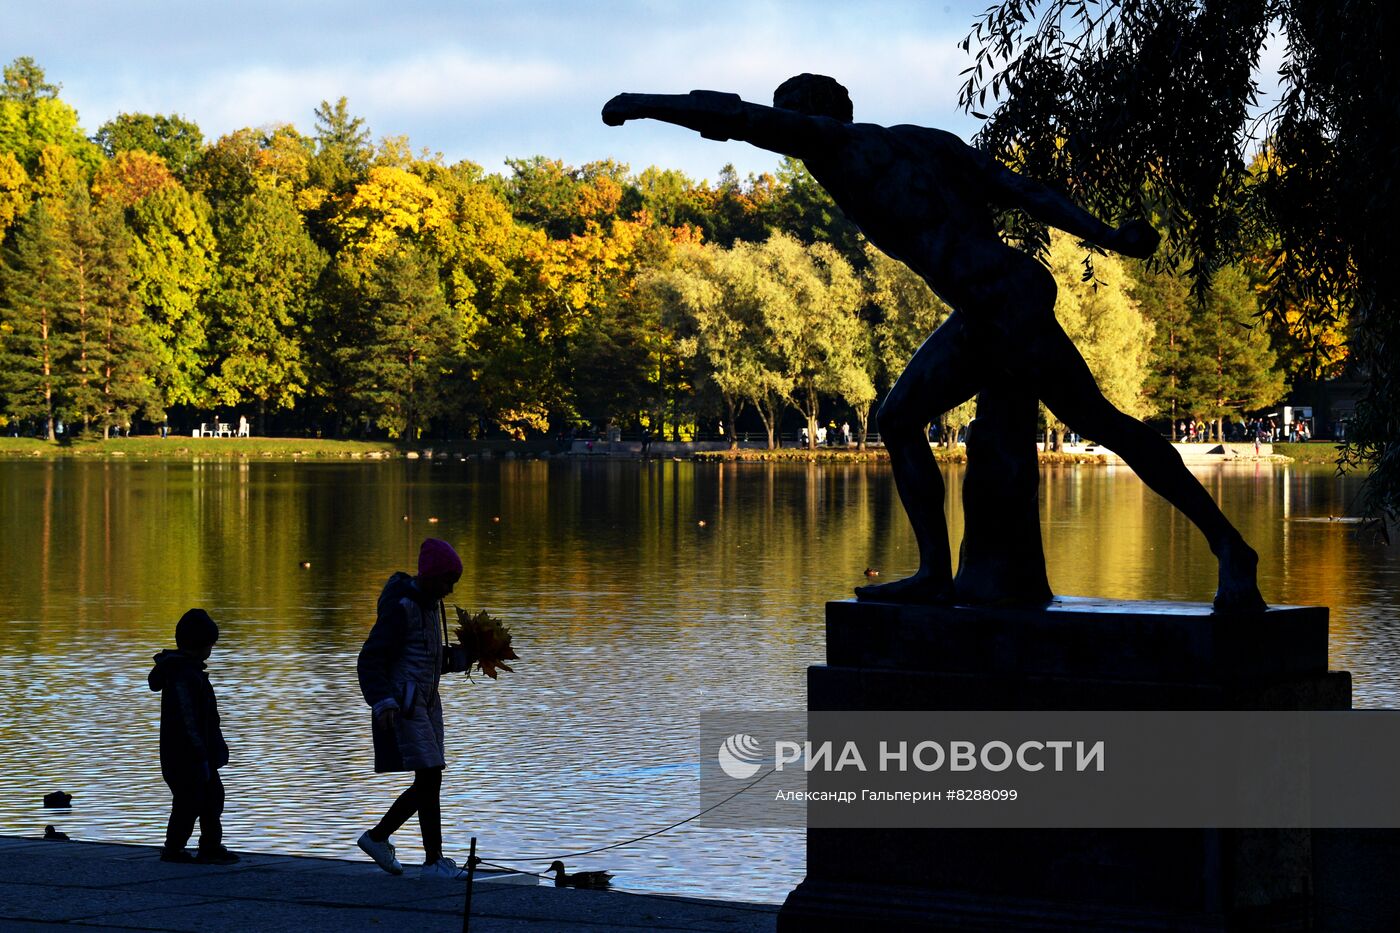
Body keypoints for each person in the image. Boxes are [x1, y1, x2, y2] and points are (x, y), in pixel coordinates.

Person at [604, 74, 1266, 612]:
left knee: (1099, 423)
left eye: (790, 125)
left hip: (999, 301)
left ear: (806, 117)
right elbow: (1027, 192)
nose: (790, 146)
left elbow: (730, 115)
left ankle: (1230, 547)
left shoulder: (831, 145)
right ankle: (936, 574)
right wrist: (1111, 237)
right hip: (997, 297)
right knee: (901, 418)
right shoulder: (925, 141)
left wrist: (641, 105)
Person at [356, 538, 474, 878]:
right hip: (404, 703)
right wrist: (383, 701)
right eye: (447, 581)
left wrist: (465, 657)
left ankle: (420, 855)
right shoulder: (402, 607)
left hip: (427, 701)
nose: (450, 590)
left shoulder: (429, 606)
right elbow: (370, 659)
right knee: (430, 776)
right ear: (431, 575)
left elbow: (427, 657)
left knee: (430, 777)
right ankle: (405, 849)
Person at [148, 608, 237, 864]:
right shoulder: (183, 675)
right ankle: (174, 849)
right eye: (209, 645)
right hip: (186, 755)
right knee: (189, 802)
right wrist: (201, 753)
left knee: (212, 797)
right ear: (201, 645)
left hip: (196, 754)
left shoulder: (188, 671)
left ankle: (210, 846)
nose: (211, 650)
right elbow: (189, 720)